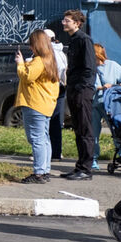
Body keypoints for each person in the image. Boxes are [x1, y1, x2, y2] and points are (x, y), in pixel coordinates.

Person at [15, 30, 60, 184]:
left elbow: (27, 76)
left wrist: (20, 64)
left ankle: (39, 173)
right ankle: (45, 170)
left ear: (37, 45)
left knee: (36, 138)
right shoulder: (50, 60)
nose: (30, 47)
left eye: (31, 44)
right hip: (45, 104)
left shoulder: (39, 60)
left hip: (35, 103)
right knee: (44, 138)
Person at [60, 10, 97, 180]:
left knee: (85, 129)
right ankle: (79, 166)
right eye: (64, 20)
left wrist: (81, 88)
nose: (63, 23)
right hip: (74, 89)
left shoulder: (84, 40)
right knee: (78, 129)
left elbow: (89, 67)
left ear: (77, 23)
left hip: (82, 90)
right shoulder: (73, 40)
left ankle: (86, 169)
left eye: (67, 20)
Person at [91, 44, 121, 170]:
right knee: (93, 133)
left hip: (110, 104)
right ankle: (93, 158)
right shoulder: (90, 67)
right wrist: (100, 87)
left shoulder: (113, 66)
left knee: (117, 130)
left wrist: (119, 85)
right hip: (94, 103)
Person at [45, 28, 68, 161]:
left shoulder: (48, 52)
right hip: (61, 86)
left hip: (50, 87)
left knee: (45, 119)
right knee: (57, 120)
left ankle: (48, 151)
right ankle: (56, 152)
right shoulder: (61, 52)